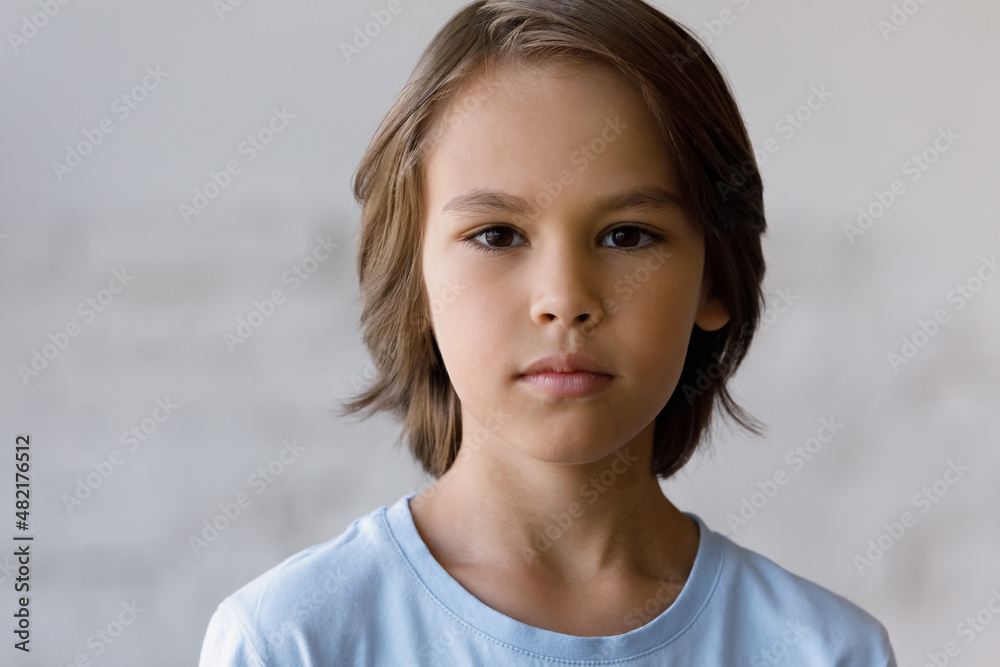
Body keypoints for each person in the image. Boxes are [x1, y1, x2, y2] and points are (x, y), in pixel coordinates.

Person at [199, 1, 898, 664]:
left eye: (627, 235)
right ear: (414, 281)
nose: (564, 299)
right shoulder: (290, 641)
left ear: (714, 280)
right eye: (497, 235)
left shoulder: (824, 649)